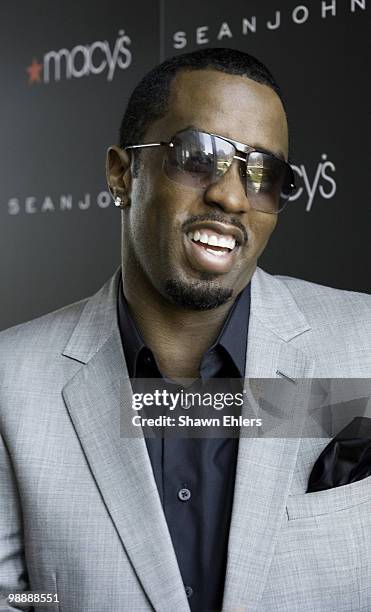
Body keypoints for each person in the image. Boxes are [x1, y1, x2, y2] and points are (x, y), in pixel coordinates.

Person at [0, 47, 370, 612]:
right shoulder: (12, 382)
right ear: (123, 174)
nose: (230, 196)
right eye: (198, 157)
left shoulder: (363, 344)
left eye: (263, 174)